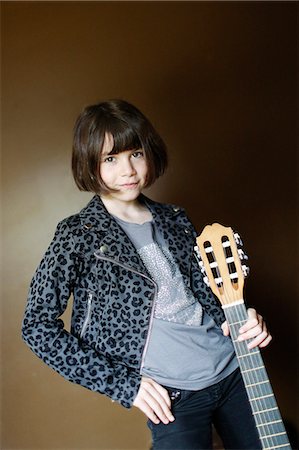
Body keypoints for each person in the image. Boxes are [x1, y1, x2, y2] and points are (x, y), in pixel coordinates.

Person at [22, 99, 272, 450]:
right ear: (89, 164)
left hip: (235, 370)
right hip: (173, 396)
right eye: (110, 159)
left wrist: (240, 317)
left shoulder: (175, 218)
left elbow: (205, 293)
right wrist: (124, 385)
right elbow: (37, 327)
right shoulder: (77, 235)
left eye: (135, 154)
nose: (128, 170)